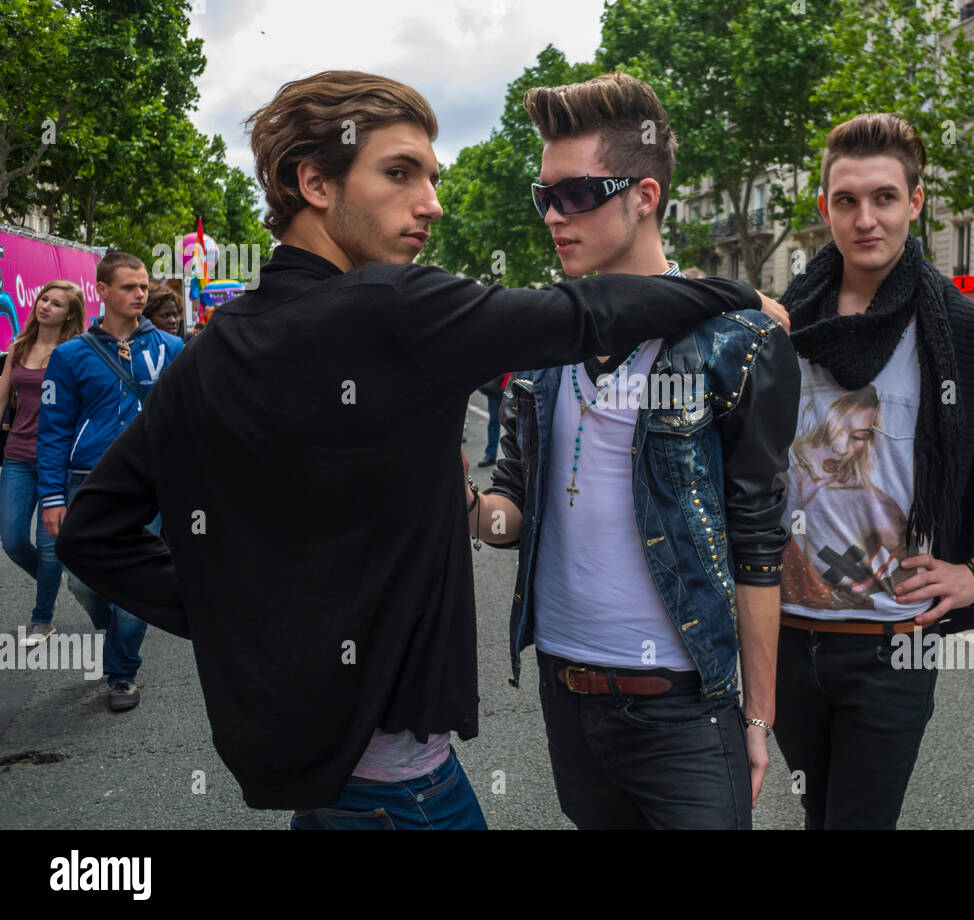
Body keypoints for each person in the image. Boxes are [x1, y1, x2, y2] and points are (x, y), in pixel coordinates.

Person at [53, 70, 782, 829]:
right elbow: (581, 314)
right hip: (405, 795)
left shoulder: (209, 352)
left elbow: (93, 533)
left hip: (322, 781)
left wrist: (246, 617)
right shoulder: (396, 307)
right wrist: (735, 294)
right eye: (400, 173)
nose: (431, 202)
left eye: (431, 177)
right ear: (316, 183)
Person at [474, 73, 799, 829]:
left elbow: (756, 541)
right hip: (566, 695)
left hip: (684, 708)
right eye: (543, 195)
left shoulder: (737, 344)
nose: (554, 215)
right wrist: (458, 503)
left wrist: (758, 713)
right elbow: (513, 513)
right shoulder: (545, 343)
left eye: (576, 194)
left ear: (645, 195)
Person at [775, 113, 974, 829]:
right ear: (825, 208)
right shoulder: (781, 328)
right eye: (846, 200)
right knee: (816, 814)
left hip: (893, 648)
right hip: (785, 637)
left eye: (884, 198)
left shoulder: (967, 334)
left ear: (915, 202)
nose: (865, 218)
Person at [38, 252, 185, 711]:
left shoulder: (172, 348)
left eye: (143, 286)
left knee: (136, 584)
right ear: (101, 291)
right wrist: (52, 496)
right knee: (84, 583)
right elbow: (54, 428)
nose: (140, 294)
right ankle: (107, 625)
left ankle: (121, 672)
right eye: (128, 287)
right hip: (87, 481)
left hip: (150, 485)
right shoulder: (69, 355)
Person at [0, 281, 86, 647]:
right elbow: (3, 392)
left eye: (56, 303)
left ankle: (41, 618)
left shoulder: (76, 351)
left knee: (48, 544)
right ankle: (55, 580)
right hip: (18, 455)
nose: (45, 306)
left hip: (59, 459)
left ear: (70, 313)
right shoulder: (19, 346)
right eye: (43, 299)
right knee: (13, 539)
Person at [475, 370, 509, 467]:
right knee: (494, 421)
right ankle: (491, 454)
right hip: (498, 385)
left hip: (510, 384)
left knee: (512, 423)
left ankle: (511, 456)